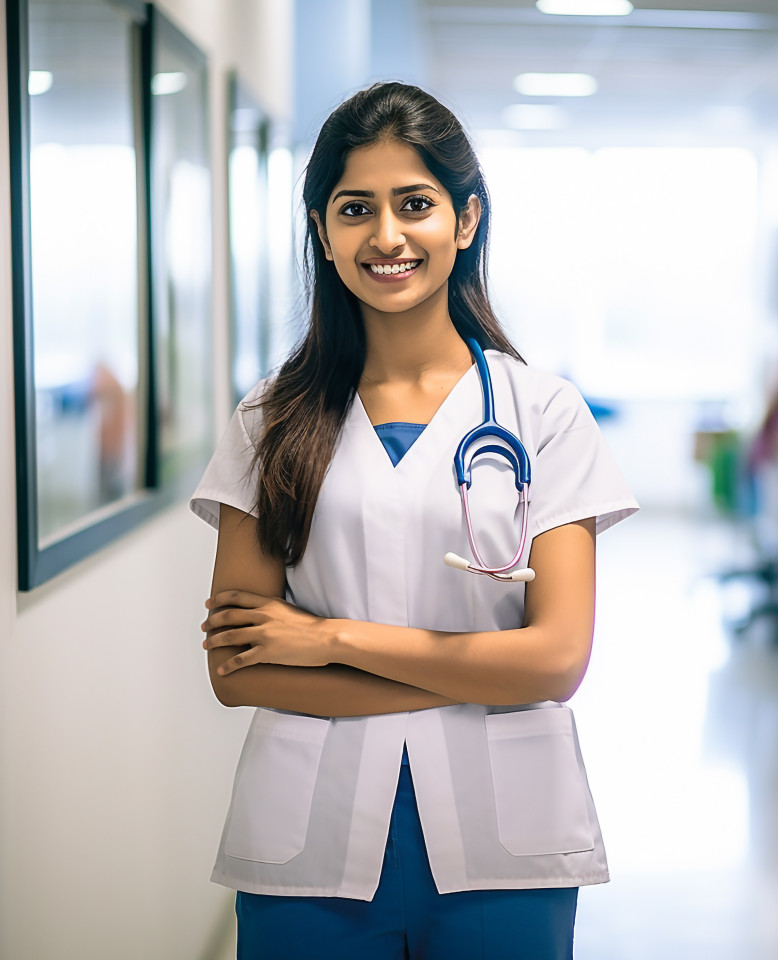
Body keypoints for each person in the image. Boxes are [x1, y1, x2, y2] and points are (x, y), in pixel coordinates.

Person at [191, 81, 638, 960]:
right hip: (307, 845)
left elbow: (556, 659)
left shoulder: (542, 413)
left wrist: (327, 640)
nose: (387, 236)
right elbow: (239, 669)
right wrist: (481, 672)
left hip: (504, 846)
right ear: (322, 230)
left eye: (416, 204)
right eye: (356, 208)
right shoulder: (270, 420)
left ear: (465, 220)